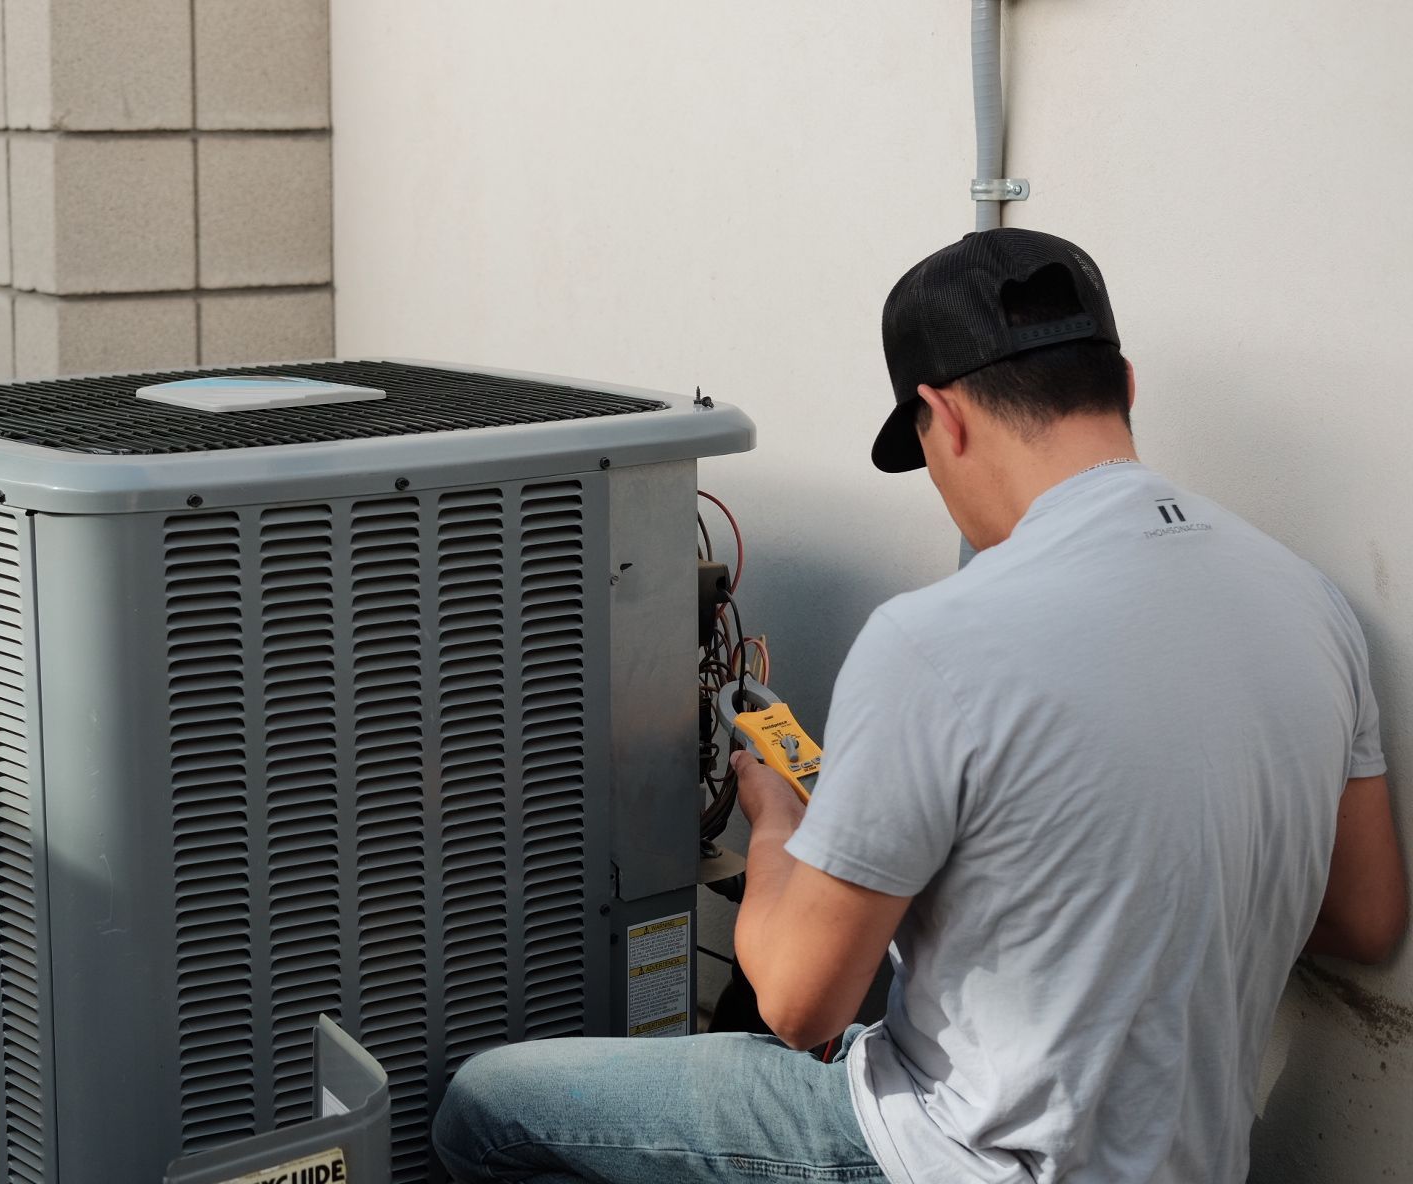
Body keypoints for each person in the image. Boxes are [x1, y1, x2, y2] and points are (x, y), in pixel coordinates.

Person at [430, 228, 1408, 1184]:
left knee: (485, 1103)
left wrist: (779, 824)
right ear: (1126, 387)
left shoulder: (933, 638)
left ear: (945, 418)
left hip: (935, 1154)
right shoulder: (1312, 603)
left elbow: (801, 1006)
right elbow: (1367, 916)